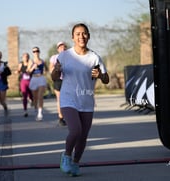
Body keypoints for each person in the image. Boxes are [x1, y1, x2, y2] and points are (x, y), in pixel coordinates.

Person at [51, 23, 109, 176]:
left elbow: (106, 79)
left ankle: (76, 163)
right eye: (77, 34)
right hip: (68, 99)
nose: (81, 37)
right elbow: (54, 77)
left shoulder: (94, 57)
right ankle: (67, 156)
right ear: (73, 37)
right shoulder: (64, 56)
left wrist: (101, 76)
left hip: (86, 100)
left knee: (83, 136)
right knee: (75, 130)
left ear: (88, 36)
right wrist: (56, 71)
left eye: (84, 33)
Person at [49, 41, 67, 126]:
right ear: (58, 49)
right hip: (58, 80)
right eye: (60, 47)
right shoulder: (54, 57)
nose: (62, 48)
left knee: (68, 99)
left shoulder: (70, 57)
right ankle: (61, 117)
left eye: (63, 47)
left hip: (68, 80)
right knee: (59, 99)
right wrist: (57, 69)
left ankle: (68, 116)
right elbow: (50, 69)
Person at [27, 47, 47, 121]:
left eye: (37, 51)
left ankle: (40, 113)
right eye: (34, 51)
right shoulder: (31, 61)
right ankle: (36, 108)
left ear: (39, 52)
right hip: (34, 79)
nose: (36, 52)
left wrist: (45, 70)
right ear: (33, 52)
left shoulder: (42, 61)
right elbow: (28, 72)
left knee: (40, 96)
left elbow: (46, 69)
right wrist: (32, 67)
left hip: (41, 78)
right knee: (35, 97)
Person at [15, 52, 33, 117]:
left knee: (30, 94)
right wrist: (17, 71)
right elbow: (18, 70)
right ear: (22, 58)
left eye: (27, 56)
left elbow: (31, 70)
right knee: (24, 95)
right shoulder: (21, 64)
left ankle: (31, 99)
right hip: (23, 81)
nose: (26, 58)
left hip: (30, 81)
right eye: (25, 56)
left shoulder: (30, 63)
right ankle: (25, 110)